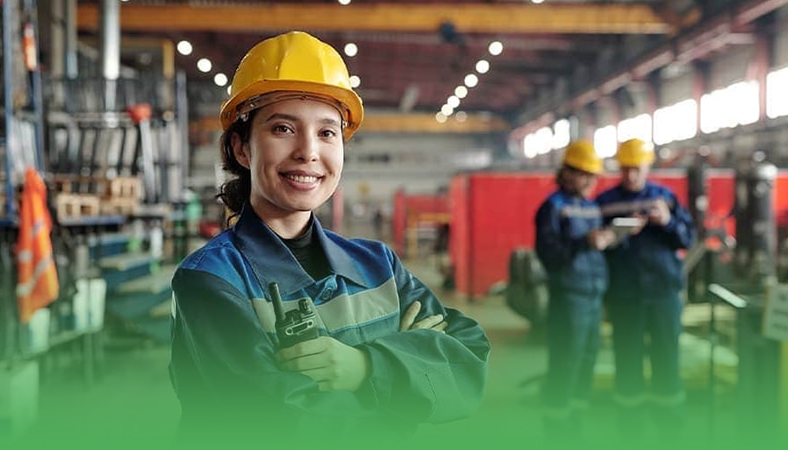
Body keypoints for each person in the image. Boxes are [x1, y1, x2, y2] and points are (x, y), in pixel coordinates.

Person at [168, 31, 490, 448]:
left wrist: (366, 368)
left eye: (327, 133)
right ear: (242, 148)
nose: (308, 152)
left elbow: (470, 363)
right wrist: (410, 367)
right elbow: (275, 425)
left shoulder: (379, 265)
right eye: (283, 128)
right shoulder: (211, 281)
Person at [595, 138, 695, 439]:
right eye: (625, 169)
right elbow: (597, 248)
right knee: (627, 359)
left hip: (664, 294)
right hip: (625, 296)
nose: (630, 176)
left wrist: (667, 222)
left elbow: (686, 239)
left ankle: (670, 431)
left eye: (636, 169)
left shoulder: (666, 198)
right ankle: (630, 432)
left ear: (648, 166)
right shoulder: (605, 202)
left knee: (667, 357)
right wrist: (616, 234)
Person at [534, 140, 615, 441]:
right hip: (569, 297)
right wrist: (585, 242)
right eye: (584, 174)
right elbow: (550, 255)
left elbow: (596, 249)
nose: (591, 181)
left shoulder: (592, 207)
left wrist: (610, 237)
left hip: (593, 295)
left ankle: (575, 424)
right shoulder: (552, 208)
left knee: (587, 360)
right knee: (566, 361)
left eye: (593, 176)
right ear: (566, 172)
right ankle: (557, 431)